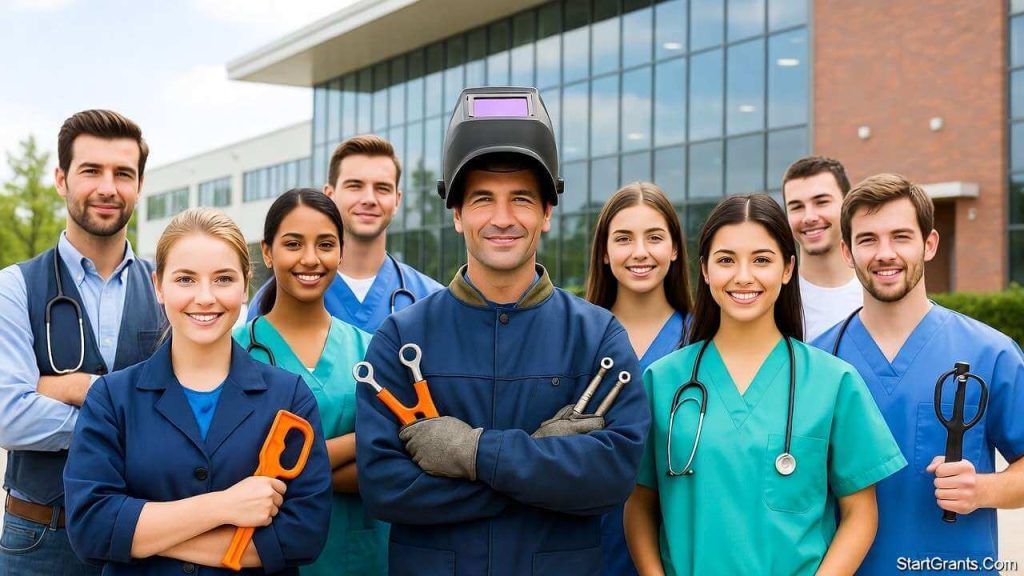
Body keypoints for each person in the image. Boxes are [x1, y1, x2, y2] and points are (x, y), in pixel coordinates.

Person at [355, 87, 650, 575]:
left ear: (547, 213)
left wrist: (472, 453)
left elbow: (612, 478)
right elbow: (385, 487)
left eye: (521, 199)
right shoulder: (400, 338)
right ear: (456, 214)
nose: (502, 219)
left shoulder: (598, 338)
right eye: (482, 199)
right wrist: (543, 469)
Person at [625, 194, 906, 575]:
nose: (744, 276)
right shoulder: (663, 381)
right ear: (705, 270)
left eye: (762, 259)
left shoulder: (833, 382)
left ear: (788, 268)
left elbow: (860, 513)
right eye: (726, 260)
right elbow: (640, 505)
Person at [63, 208, 332, 574]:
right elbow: (92, 529)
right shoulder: (112, 399)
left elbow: (302, 535)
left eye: (222, 279)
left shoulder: (290, 397)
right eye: (185, 280)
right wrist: (223, 506)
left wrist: (145, 537)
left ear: (245, 284)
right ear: (158, 286)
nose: (205, 298)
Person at [813, 174, 1024, 575]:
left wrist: (983, 489)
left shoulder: (990, 353)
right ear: (846, 251)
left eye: (901, 236)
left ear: (929, 244)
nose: (885, 253)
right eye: (868, 239)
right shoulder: (816, 361)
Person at [0, 110, 165, 575]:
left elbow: (193, 407)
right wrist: (133, 419)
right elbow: (10, 419)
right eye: (91, 170)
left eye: (123, 174)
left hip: (148, 534)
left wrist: (69, 386)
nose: (108, 187)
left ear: (139, 184)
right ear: (61, 179)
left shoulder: (170, 288)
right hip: (41, 538)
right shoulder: (14, 287)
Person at [234, 189, 385, 575]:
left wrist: (288, 471)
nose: (310, 259)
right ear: (267, 252)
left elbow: (388, 468)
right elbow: (233, 469)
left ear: (341, 251)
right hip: (264, 553)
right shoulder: (234, 351)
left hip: (360, 556)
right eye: (293, 244)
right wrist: (356, 440)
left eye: (325, 244)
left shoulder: (371, 350)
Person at [586, 182, 692, 576]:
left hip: (680, 550)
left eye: (654, 237)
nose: (640, 252)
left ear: (676, 249)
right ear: (604, 253)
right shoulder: (577, 340)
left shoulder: (703, 344)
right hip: (588, 548)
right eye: (624, 238)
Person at [248, 135, 441, 333]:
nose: (369, 199)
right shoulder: (270, 302)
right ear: (329, 194)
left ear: (397, 200)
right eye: (355, 186)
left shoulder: (431, 299)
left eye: (382, 188)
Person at [782, 156, 862, 341]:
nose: (809, 217)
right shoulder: (777, 299)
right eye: (796, 207)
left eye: (821, 202)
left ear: (847, 206)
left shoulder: (876, 292)